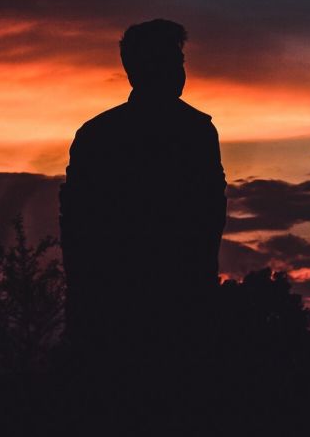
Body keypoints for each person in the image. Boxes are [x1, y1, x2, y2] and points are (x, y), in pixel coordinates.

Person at [59, 19, 227, 358]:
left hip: (125, 307)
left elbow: (75, 226)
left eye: (181, 62)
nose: (181, 71)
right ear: (147, 67)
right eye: (175, 61)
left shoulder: (97, 134)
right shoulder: (194, 133)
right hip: (155, 307)